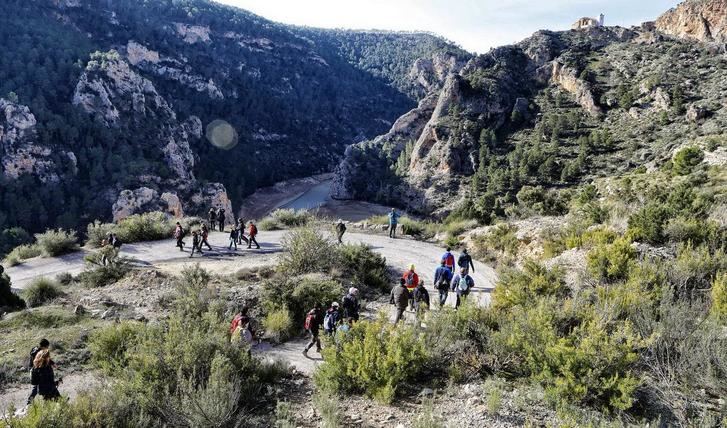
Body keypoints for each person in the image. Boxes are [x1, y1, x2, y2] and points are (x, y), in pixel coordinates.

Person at [27, 339, 51, 404]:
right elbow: (41, 362)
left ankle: (30, 401)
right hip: (37, 371)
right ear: (44, 346)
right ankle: (30, 402)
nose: (47, 348)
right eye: (47, 346)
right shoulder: (40, 352)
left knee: (38, 386)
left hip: (33, 370)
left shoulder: (35, 349)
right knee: (39, 386)